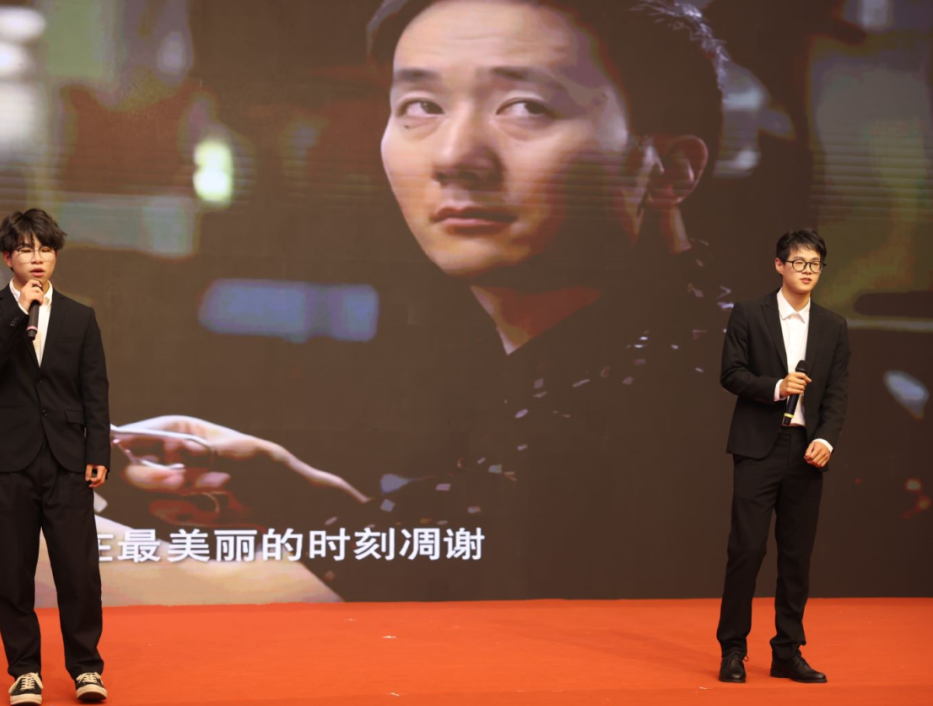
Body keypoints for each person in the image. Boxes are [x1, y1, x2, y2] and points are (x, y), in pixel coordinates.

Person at [115, 0, 734, 600]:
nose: (454, 157)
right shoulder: (658, 350)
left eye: (526, 107)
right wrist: (302, 501)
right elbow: (494, 561)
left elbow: (213, 601)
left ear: (671, 168)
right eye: (421, 107)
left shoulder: (660, 400)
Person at [0, 209, 111, 706]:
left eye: (45, 249)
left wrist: (97, 449)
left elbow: (94, 388)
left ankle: (86, 668)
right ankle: (25, 670)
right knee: (11, 571)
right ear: (8, 257)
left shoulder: (79, 316)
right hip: (8, 459)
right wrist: (19, 310)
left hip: (67, 459)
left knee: (79, 573)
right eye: (26, 249)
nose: (38, 258)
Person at [715, 228, 849, 684]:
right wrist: (777, 386)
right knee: (747, 549)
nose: (807, 271)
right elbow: (730, 373)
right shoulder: (749, 313)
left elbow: (837, 394)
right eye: (799, 262)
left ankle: (788, 652)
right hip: (758, 448)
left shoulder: (833, 325)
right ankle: (733, 649)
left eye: (815, 264)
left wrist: (826, 440)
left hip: (806, 452)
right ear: (780, 265)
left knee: (796, 556)